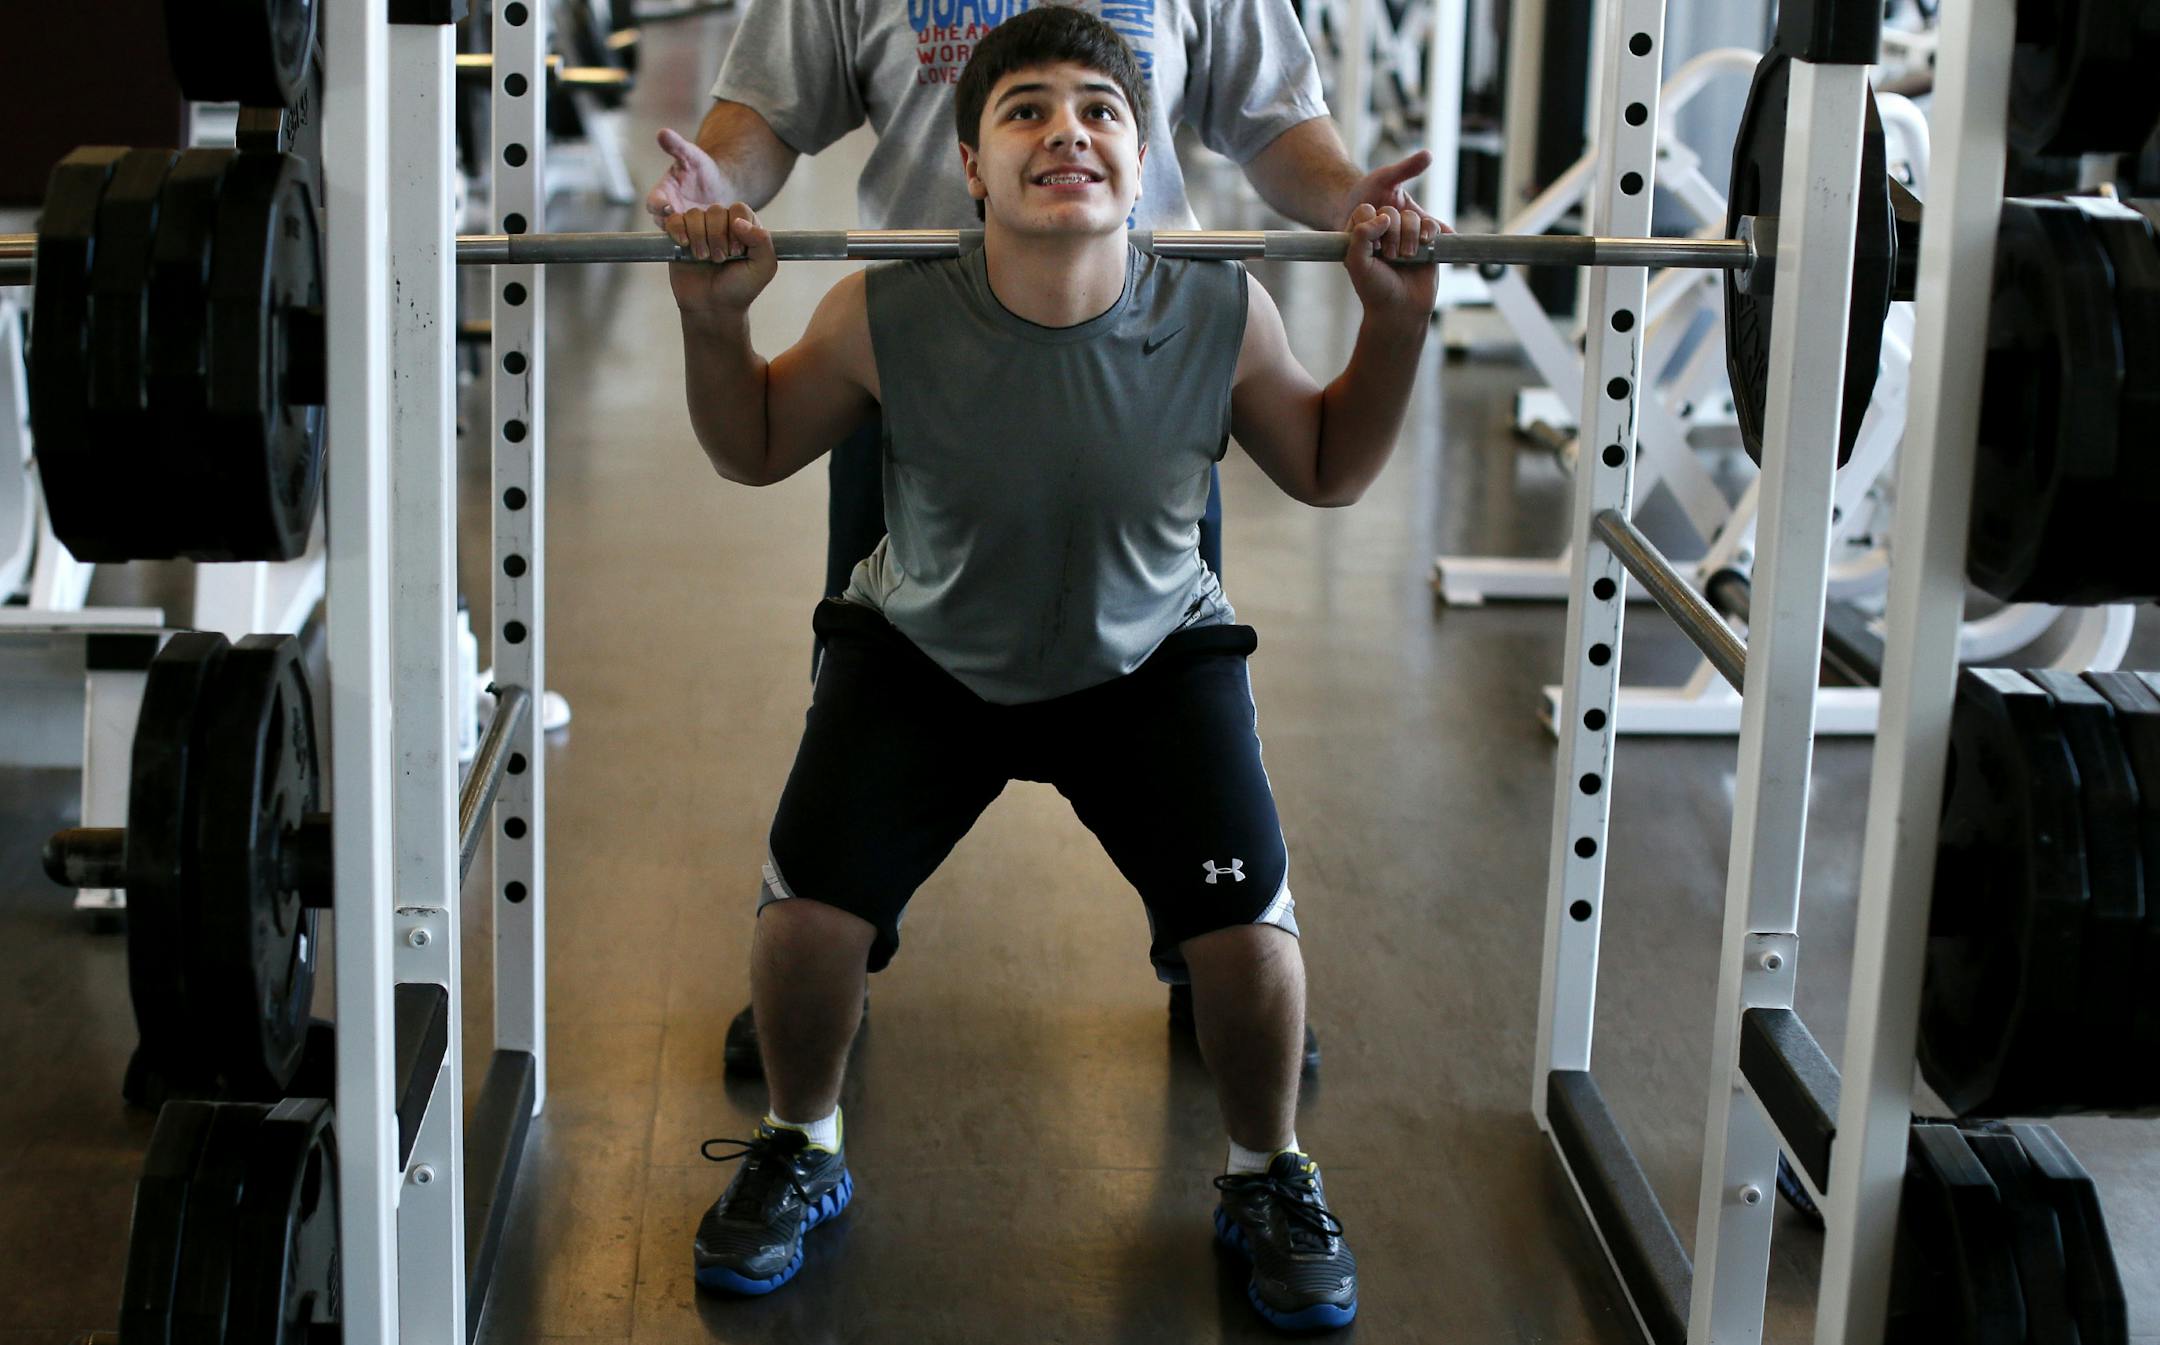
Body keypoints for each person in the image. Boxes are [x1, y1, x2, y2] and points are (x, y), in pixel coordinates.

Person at [665, 9, 1434, 1329]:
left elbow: (1323, 462)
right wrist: (712, 304)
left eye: (1102, 114)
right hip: (928, 630)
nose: (1067, 132)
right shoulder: (878, 317)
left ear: (1146, 165)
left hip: (1145, 645)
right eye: (1024, 112)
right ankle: (804, 1131)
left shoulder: (1216, 313)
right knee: (803, 921)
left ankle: (1268, 1167)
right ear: (969, 162)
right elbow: (750, 436)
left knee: (1249, 949)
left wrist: (1395, 320)